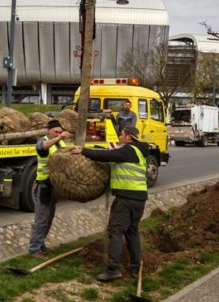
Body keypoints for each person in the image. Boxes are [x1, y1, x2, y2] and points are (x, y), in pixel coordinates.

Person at [71, 126, 149, 281]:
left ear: (129, 137)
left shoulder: (128, 150)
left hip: (126, 199)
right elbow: (112, 155)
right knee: (132, 232)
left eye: (121, 135)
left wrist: (83, 151)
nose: (120, 138)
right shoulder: (139, 152)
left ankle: (113, 269)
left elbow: (106, 155)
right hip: (139, 199)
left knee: (115, 231)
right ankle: (135, 267)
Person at [28, 120, 71, 258]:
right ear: (48, 131)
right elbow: (43, 147)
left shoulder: (60, 143)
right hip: (44, 186)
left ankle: (41, 245)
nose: (58, 134)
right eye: (55, 132)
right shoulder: (43, 142)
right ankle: (34, 249)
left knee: (49, 218)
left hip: (54, 187)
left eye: (59, 132)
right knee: (41, 220)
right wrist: (59, 137)